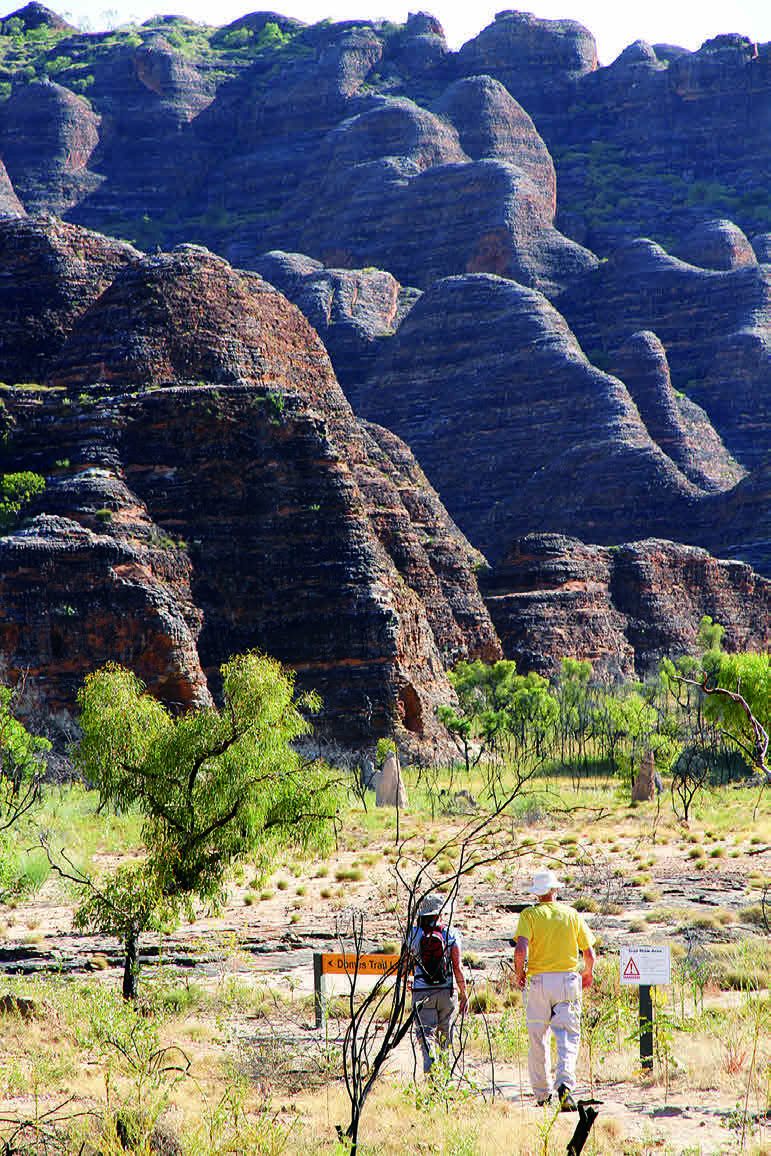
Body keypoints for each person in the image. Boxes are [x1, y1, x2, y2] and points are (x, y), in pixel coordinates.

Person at [514, 868, 595, 1111]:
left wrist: (520, 974)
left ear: (537, 893)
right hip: (567, 981)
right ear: (555, 890)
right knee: (568, 1036)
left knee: (538, 1037)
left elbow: (520, 950)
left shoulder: (529, 915)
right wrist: (587, 973)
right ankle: (564, 1087)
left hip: (539, 981)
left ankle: (541, 1094)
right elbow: (589, 953)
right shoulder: (571, 914)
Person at [407, 895, 468, 1074]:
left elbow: (404, 965)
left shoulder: (413, 934)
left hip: (421, 991)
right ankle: (445, 1076)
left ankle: (430, 1066)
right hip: (447, 991)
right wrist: (464, 993)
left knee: (425, 1034)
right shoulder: (451, 933)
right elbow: (457, 967)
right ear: (440, 913)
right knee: (445, 1035)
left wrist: (407, 983)